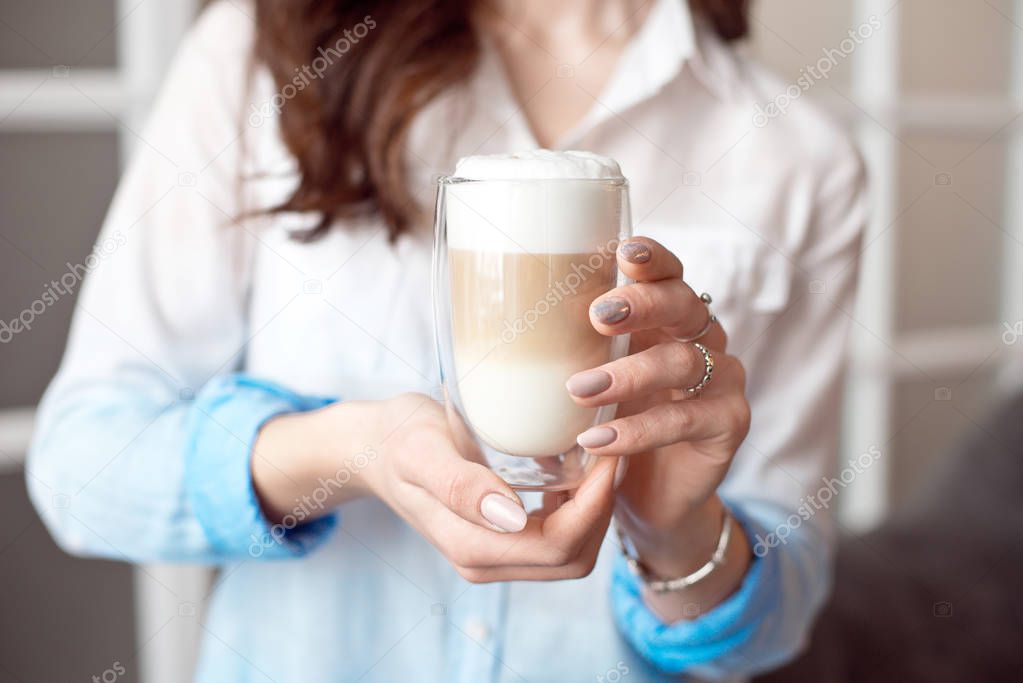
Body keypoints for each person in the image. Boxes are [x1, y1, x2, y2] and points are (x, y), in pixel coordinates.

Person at [27, 0, 867, 680]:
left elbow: (771, 627)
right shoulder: (264, 50)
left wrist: (675, 531)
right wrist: (352, 452)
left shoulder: (799, 156)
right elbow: (82, 466)